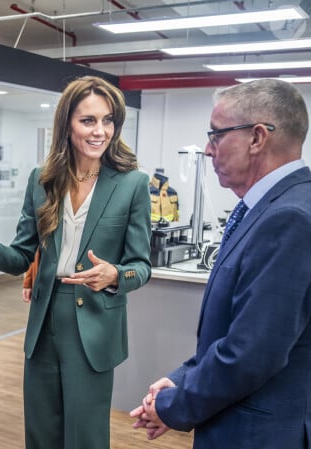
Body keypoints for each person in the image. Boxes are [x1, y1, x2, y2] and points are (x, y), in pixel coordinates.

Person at [0, 75, 152, 449]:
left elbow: (141, 266)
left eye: (108, 120)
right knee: (41, 433)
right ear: (66, 124)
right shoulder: (42, 180)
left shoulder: (132, 184)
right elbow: (21, 256)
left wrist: (114, 275)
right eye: (88, 120)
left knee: (85, 437)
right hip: (45, 323)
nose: (100, 131)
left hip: (94, 321)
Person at [130, 78, 311, 449]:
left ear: (257, 138)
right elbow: (232, 332)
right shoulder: (268, 208)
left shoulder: (289, 218)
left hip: (259, 433)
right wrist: (182, 378)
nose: (209, 150)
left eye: (216, 135)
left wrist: (172, 405)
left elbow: (250, 353)